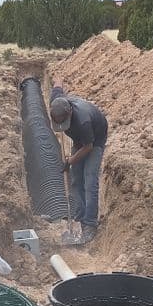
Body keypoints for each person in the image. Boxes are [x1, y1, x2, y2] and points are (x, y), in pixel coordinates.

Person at [49, 83, 108, 244]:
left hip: (94, 140)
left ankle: (90, 224)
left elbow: (88, 147)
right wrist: (57, 84)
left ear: (70, 113)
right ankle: (79, 214)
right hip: (79, 138)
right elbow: (57, 87)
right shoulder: (56, 103)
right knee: (76, 179)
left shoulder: (83, 121)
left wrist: (70, 161)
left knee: (89, 180)